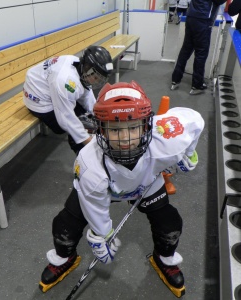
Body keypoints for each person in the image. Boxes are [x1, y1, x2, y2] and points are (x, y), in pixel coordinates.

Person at [39, 81, 205, 297]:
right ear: (100, 129)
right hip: (105, 188)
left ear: (147, 124)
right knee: (65, 225)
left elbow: (195, 121)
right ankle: (64, 257)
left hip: (147, 184)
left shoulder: (166, 139)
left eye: (133, 127)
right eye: (115, 129)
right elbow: (95, 206)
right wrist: (102, 233)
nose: (125, 139)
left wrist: (190, 153)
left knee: (169, 224)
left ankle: (164, 259)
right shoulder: (90, 164)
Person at [23, 46, 113, 154]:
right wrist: (89, 144)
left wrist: (100, 116)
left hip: (49, 86)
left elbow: (86, 95)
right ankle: (83, 156)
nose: (97, 81)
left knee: (88, 117)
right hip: (37, 97)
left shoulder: (79, 66)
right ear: (87, 67)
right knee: (80, 123)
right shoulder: (65, 81)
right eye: (96, 77)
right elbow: (66, 119)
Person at [171, 0, 227, 95]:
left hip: (191, 16)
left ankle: (175, 80)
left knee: (186, 50)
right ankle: (197, 85)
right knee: (201, 54)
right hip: (203, 19)